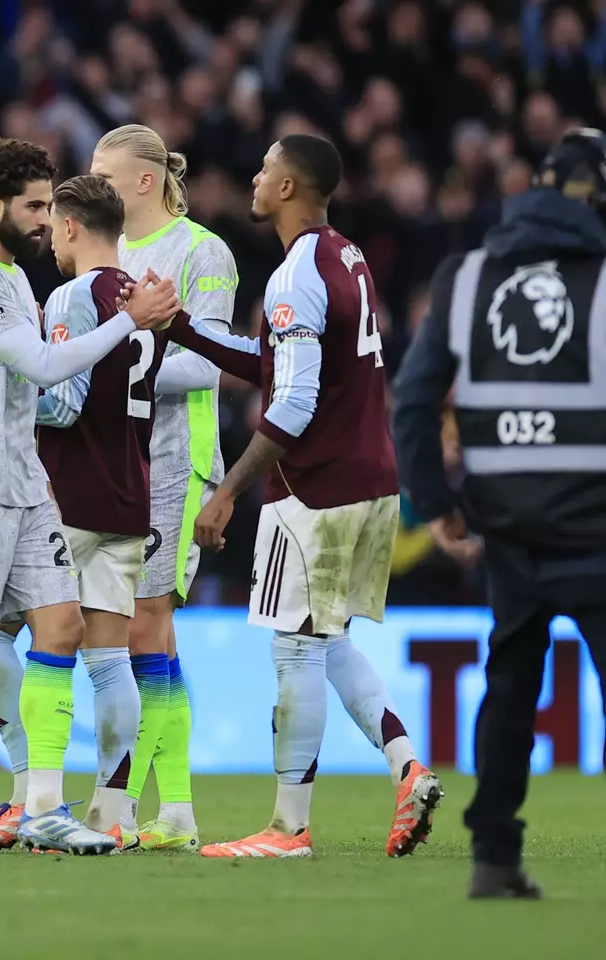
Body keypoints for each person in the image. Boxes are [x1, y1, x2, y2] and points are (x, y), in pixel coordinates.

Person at [160, 134, 441, 859]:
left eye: (264, 169)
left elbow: (293, 402)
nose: (254, 178)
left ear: (288, 187)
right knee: (327, 639)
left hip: (317, 489)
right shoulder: (345, 257)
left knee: (293, 649)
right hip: (372, 479)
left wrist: (227, 492)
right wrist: (184, 328)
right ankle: (408, 767)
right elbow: (275, 363)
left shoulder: (295, 275)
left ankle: (288, 828)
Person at [0, 138, 180, 856]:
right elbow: (44, 365)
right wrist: (130, 320)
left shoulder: (18, 283)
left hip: (23, 483)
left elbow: (39, 389)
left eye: (47, 207)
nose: (43, 220)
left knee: (62, 628)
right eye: (31, 206)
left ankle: (43, 806)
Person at [0, 126, 237, 853]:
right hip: (131, 490)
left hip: (77, 491)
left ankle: (33, 795)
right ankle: (114, 811)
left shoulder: (81, 294)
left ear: (73, 226)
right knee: (114, 656)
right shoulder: (139, 296)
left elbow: (63, 403)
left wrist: (12, 391)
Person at [393, 128, 606, 899]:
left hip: (507, 526)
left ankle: (492, 856)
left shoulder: (468, 277)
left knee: (511, 686)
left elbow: (413, 401)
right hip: (596, 527)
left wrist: (437, 505)